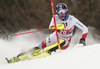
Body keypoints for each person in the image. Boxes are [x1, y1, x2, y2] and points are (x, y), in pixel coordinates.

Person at [6, 3, 88, 63]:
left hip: (65, 40)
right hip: (55, 36)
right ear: (57, 12)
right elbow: (51, 26)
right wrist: (56, 27)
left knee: (62, 42)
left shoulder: (72, 19)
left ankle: (47, 52)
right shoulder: (55, 17)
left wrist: (82, 40)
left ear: (66, 11)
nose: (62, 13)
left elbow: (85, 29)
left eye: (64, 11)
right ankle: (17, 57)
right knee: (39, 47)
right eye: (59, 11)